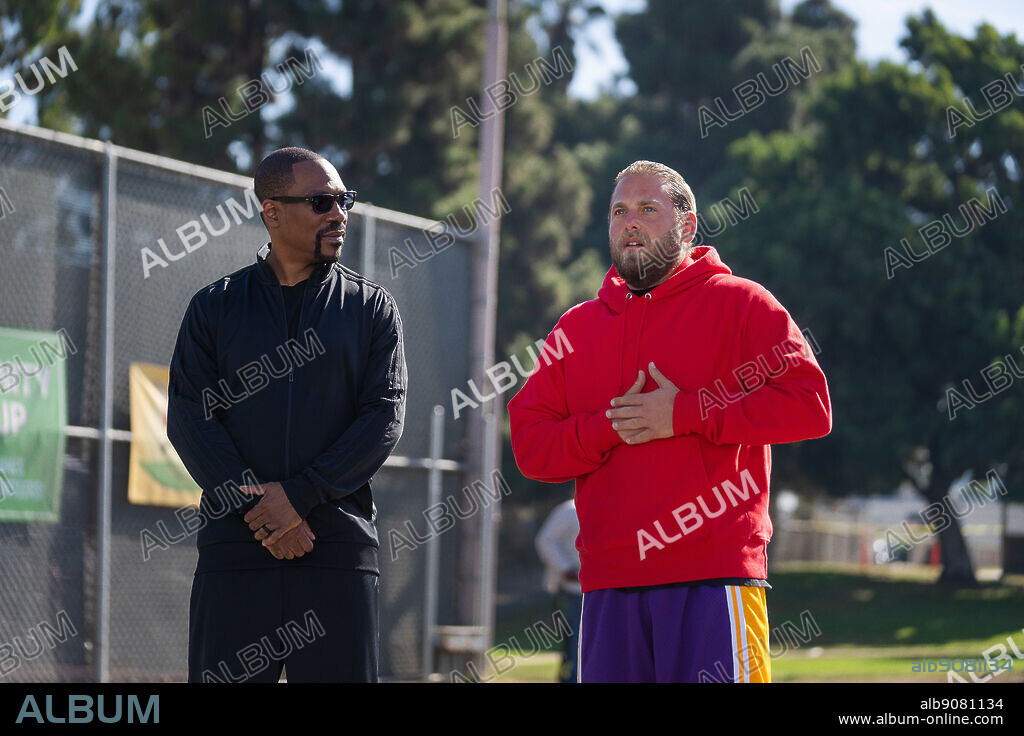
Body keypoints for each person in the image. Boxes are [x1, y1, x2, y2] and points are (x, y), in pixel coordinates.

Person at [507, 160, 831, 683]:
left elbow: (810, 405)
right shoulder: (576, 328)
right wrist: (611, 426)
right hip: (608, 588)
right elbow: (530, 446)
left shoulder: (743, 304)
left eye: (647, 209)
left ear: (687, 225)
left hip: (715, 580)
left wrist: (684, 412)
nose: (629, 221)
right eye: (618, 211)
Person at [167, 147, 407, 683]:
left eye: (344, 201)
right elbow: (188, 418)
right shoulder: (214, 307)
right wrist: (261, 510)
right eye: (322, 202)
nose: (339, 215)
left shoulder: (372, 310)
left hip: (335, 555)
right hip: (238, 554)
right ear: (272, 211)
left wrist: (299, 497)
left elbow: (383, 417)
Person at [535, 498, 582, 683]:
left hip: (601, 589)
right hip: (575, 590)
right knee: (577, 641)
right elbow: (545, 540)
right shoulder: (570, 509)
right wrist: (565, 568)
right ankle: (572, 678)